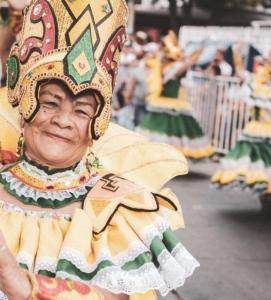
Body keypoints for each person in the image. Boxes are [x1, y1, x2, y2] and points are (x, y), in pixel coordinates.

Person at [0, 0, 199, 299]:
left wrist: (17, 281)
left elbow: (113, 296)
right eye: (50, 103)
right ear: (26, 104)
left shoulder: (117, 205)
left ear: (97, 123)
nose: (63, 121)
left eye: (81, 111)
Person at [212, 42, 271, 212]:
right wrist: (237, 57)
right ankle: (266, 197)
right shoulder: (259, 86)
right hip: (260, 132)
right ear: (270, 68)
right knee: (262, 166)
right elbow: (241, 75)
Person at [138, 31, 214, 160]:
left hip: (170, 103)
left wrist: (196, 54)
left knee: (168, 133)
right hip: (165, 103)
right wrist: (196, 55)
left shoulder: (165, 66)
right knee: (164, 132)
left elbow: (184, 65)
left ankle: (166, 157)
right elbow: (184, 66)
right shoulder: (166, 67)